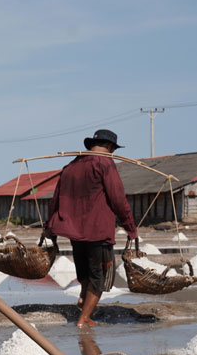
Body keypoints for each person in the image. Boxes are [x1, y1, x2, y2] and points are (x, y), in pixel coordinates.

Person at [43, 129, 138, 328]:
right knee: (99, 277)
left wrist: (49, 225)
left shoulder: (70, 166)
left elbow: (56, 199)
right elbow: (118, 199)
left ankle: (83, 299)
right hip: (97, 230)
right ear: (110, 148)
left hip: (74, 231)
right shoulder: (105, 163)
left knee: (85, 272)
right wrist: (130, 227)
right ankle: (84, 318)